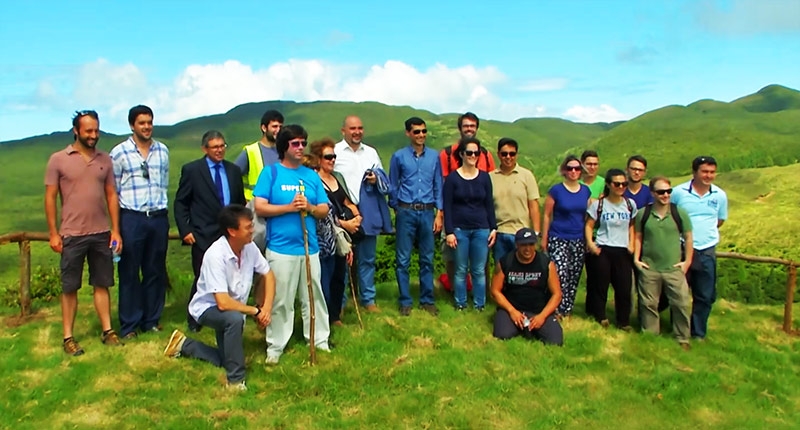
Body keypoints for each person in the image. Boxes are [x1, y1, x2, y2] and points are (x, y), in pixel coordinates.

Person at [163, 204, 275, 391]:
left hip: (233, 308)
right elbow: (222, 303)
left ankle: (184, 345)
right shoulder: (215, 255)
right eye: (248, 227)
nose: (252, 230)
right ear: (232, 231)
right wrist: (255, 311)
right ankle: (235, 381)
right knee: (234, 320)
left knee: (228, 358)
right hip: (208, 308)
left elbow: (268, 275)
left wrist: (267, 309)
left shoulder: (250, 248)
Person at [45, 110, 123, 355]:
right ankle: (68, 337)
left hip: (101, 232)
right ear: (76, 131)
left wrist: (116, 231)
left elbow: (111, 195)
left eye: (96, 130)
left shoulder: (105, 159)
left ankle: (108, 331)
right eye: (88, 131)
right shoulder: (58, 159)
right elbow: (50, 197)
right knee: (70, 287)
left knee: (102, 283)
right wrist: (53, 233)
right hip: (72, 233)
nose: (93, 135)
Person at [254, 125, 331, 364]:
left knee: (314, 296)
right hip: (280, 248)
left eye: (303, 143)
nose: (300, 147)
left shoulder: (311, 176)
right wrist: (289, 208)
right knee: (280, 299)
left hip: (309, 248)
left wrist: (309, 207)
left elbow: (324, 209)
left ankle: (319, 340)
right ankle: (276, 345)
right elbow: (260, 207)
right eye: (295, 143)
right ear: (284, 147)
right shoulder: (271, 173)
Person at [174, 130, 246, 332]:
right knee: (202, 277)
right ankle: (194, 318)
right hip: (203, 233)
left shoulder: (233, 170)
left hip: (229, 234)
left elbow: (239, 202)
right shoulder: (192, 170)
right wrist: (185, 230)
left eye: (222, 146)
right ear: (205, 149)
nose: (219, 150)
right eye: (215, 147)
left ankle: (226, 316)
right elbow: (181, 203)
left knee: (230, 276)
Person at [109, 105, 169, 339]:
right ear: (132, 125)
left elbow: (164, 183)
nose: (147, 127)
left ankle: (151, 320)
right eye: (142, 123)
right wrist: (116, 228)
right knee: (130, 271)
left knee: (155, 270)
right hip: (132, 217)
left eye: (149, 122)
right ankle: (129, 324)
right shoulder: (119, 153)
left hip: (158, 216)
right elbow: (113, 191)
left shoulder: (162, 151)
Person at [388, 117, 443, 317]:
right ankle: (405, 301)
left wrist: (439, 213)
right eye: (417, 131)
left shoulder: (434, 156)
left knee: (427, 258)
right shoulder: (398, 156)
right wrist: (397, 208)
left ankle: (427, 300)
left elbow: (438, 185)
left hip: (428, 211)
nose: (421, 135)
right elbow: (393, 184)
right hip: (406, 210)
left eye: (423, 131)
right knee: (403, 259)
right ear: (408, 133)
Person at [334, 115, 387, 312]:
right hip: (344, 211)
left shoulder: (371, 152)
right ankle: (339, 303)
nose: (357, 132)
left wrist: (375, 179)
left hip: (368, 209)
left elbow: (383, 176)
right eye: (352, 128)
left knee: (367, 258)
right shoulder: (335, 152)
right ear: (343, 131)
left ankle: (368, 299)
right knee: (342, 258)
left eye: (360, 128)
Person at [671, 156, 728, 340]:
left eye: (712, 172)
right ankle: (678, 328)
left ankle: (698, 333)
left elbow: (719, 220)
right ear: (694, 172)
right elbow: (670, 216)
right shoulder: (678, 193)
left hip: (706, 250)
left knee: (705, 295)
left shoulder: (719, 195)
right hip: (681, 249)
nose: (708, 176)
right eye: (704, 171)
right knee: (678, 293)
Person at [438, 112, 496, 291]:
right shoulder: (447, 154)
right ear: (460, 128)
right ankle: (454, 290)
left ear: (477, 128)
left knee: (482, 259)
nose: (469, 129)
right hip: (454, 214)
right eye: (466, 126)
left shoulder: (485, 154)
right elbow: (442, 184)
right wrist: (440, 214)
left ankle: (483, 293)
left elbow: (490, 185)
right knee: (452, 256)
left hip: (479, 215)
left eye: (472, 126)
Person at [633, 177, 693, 350]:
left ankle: (682, 337)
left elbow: (689, 237)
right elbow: (638, 237)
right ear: (652, 193)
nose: (665, 195)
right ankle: (651, 336)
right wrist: (637, 259)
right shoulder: (643, 214)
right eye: (661, 192)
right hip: (649, 267)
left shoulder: (679, 213)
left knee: (681, 303)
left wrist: (687, 262)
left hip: (673, 268)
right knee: (649, 304)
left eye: (668, 191)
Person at [443, 137, 497, 311]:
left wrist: (493, 228)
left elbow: (489, 204)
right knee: (460, 269)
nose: (473, 156)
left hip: (481, 228)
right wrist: (449, 231)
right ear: (461, 154)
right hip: (460, 229)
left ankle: (479, 304)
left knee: (479, 270)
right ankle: (460, 303)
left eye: (476, 153)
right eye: (469, 152)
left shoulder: (484, 178)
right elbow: (447, 206)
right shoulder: (452, 179)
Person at [308, 139, 358, 327]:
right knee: (324, 281)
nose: (332, 160)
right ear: (318, 158)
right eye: (328, 157)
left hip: (338, 236)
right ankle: (322, 320)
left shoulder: (337, 178)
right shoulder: (314, 181)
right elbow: (326, 213)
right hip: (323, 238)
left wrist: (357, 217)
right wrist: (346, 225)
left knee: (338, 278)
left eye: (334, 156)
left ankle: (335, 317)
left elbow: (346, 202)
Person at [490, 228, 563, 346]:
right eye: (523, 245)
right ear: (517, 245)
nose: (527, 248)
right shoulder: (505, 262)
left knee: (555, 340)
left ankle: (530, 326)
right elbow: (495, 291)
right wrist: (512, 311)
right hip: (512, 309)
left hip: (538, 310)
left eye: (531, 244)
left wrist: (542, 316)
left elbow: (557, 294)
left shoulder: (546, 264)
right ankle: (524, 326)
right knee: (502, 334)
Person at [585, 169, 637, 329]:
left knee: (624, 287)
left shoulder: (630, 204)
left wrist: (632, 244)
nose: (620, 187)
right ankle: (600, 316)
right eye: (617, 184)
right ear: (608, 184)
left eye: (624, 184)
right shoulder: (599, 205)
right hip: (604, 248)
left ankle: (623, 321)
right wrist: (591, 244)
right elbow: (589, 225)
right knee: (601, 284)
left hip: (622, 249)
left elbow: (632, 225)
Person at [541, 155, 591, 318]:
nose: (573, 171)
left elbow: (588, 216)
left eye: (577, 168)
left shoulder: (585, 191)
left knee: (573, 275)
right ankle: (555, 309)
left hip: (578, 238)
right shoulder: (556, 190)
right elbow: (547, 215)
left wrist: (588, 239)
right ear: (564, 170)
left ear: (581, 171)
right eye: (570, 168)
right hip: (558, 237)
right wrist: (544, 238)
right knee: (559, 274)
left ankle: (567, 309)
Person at [490, 137, 541, 262]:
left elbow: (533, 206)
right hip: (499, 233)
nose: (508, 157)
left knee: (522, 269)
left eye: (512, 154)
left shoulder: (526, 175)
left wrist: (536, 232)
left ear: (516, 155)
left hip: (521, 233)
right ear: (498, 155)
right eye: (504, 154)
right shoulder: (490, 177)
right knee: (500, 269)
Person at [235, 110, 284, 201]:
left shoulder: (284, 151)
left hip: (280, 204)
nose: (278, 130)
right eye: (274, 126)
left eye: (280, 127)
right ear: (264, 128)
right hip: (255, 204)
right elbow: (232, 176)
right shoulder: (250, 151)